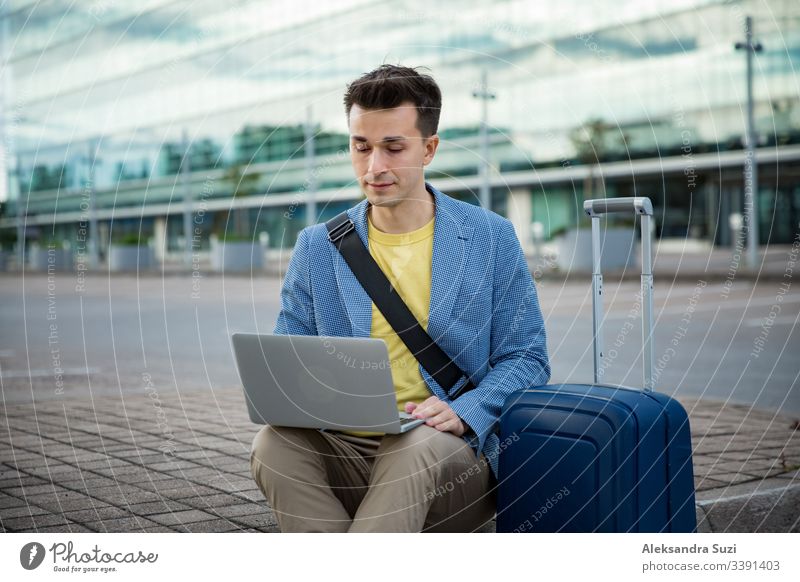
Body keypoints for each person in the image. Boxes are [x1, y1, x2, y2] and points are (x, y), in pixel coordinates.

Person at [250, 64, 550, 532]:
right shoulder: (317, 246)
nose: (374, 167)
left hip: (447, 459)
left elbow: (527, 358)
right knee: (273, 444)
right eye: (361, 146)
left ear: (429, 148)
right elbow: (291, 353)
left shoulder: (490, 237)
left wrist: (464, 410)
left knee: (413, 446)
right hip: (346, 448)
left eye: (393, 147)